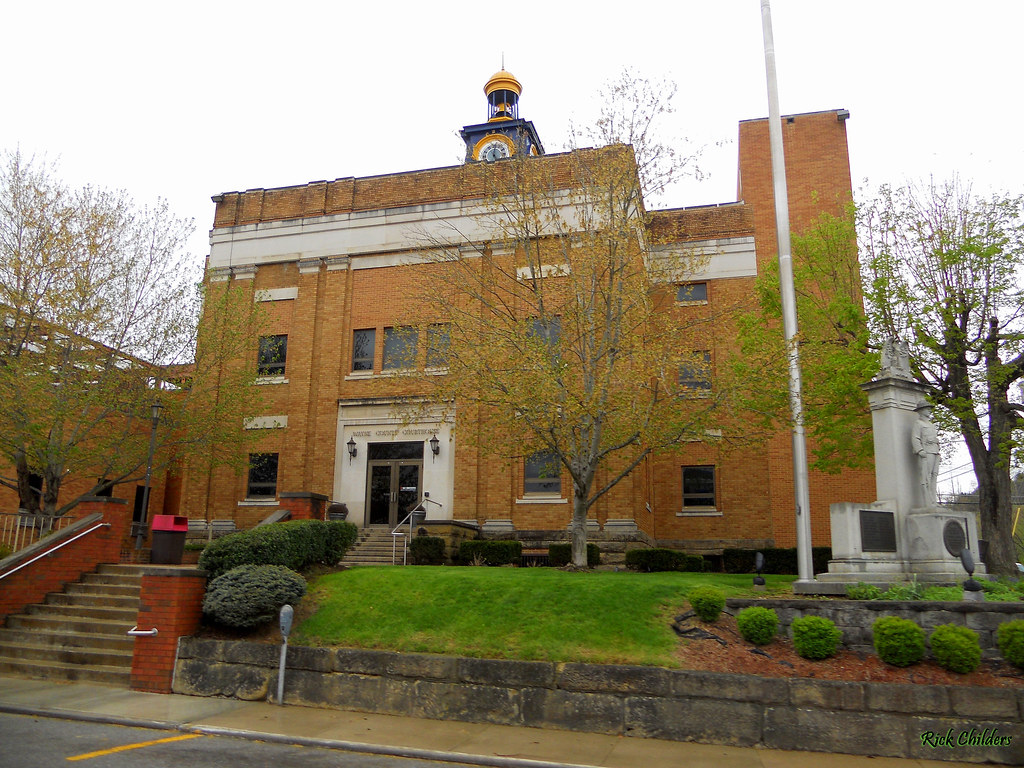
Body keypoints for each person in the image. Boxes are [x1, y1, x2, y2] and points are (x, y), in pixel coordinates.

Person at [910, 400, 940, 506]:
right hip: (926, 452)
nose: (929, 411)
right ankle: (928, 502)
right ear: (921, 411)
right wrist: (920, 450)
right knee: (926, 477)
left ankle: (933, 500)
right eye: (927, 409)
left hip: (935, 451)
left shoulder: (931, 424)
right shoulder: (918, 423)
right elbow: (915, 438)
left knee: (934, 476)